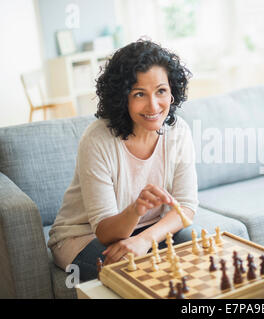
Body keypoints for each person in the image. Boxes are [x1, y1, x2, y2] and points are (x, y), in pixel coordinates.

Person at [48, 40, 202, 282]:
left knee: (196, 254)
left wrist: (144, 240)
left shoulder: (178, 131)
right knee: (139, 276)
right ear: (123, 98)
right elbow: (105, 231)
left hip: (142, 233)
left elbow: (186, 206)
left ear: (172, 91)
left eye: (161, 91)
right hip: (84, 237)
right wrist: (136, 210)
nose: (153, 106)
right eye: (139, 94)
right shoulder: (97, 139)